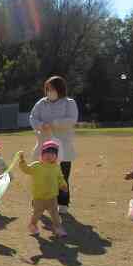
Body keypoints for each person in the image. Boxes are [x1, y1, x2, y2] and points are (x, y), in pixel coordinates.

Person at [29, 76, 79, 213]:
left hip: (64, 145)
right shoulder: (41, 103)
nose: (49, 91)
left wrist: (54, 123)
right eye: (47, 89)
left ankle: (63, 203)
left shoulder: (69, 103)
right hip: (44, 145)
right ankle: (39, 202)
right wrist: (40, 125)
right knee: (41, 176)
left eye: (51, 89)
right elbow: (33, 117)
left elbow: (72, 119)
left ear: (59, 88)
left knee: (62, 176)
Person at [17, 140, 68, 237]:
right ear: (42, 154)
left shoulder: (56, 167)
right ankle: (33, 225)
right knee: (37, 214)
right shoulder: (36, 165)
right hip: (39, 197)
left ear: (56, 156)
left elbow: (60, 178)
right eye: (47, 153)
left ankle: (58, 228)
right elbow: (26, 169)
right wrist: (22, 162)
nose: (49, 155)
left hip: (52, 196)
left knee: (55, 214)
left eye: (53, 153)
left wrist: (63, 185)